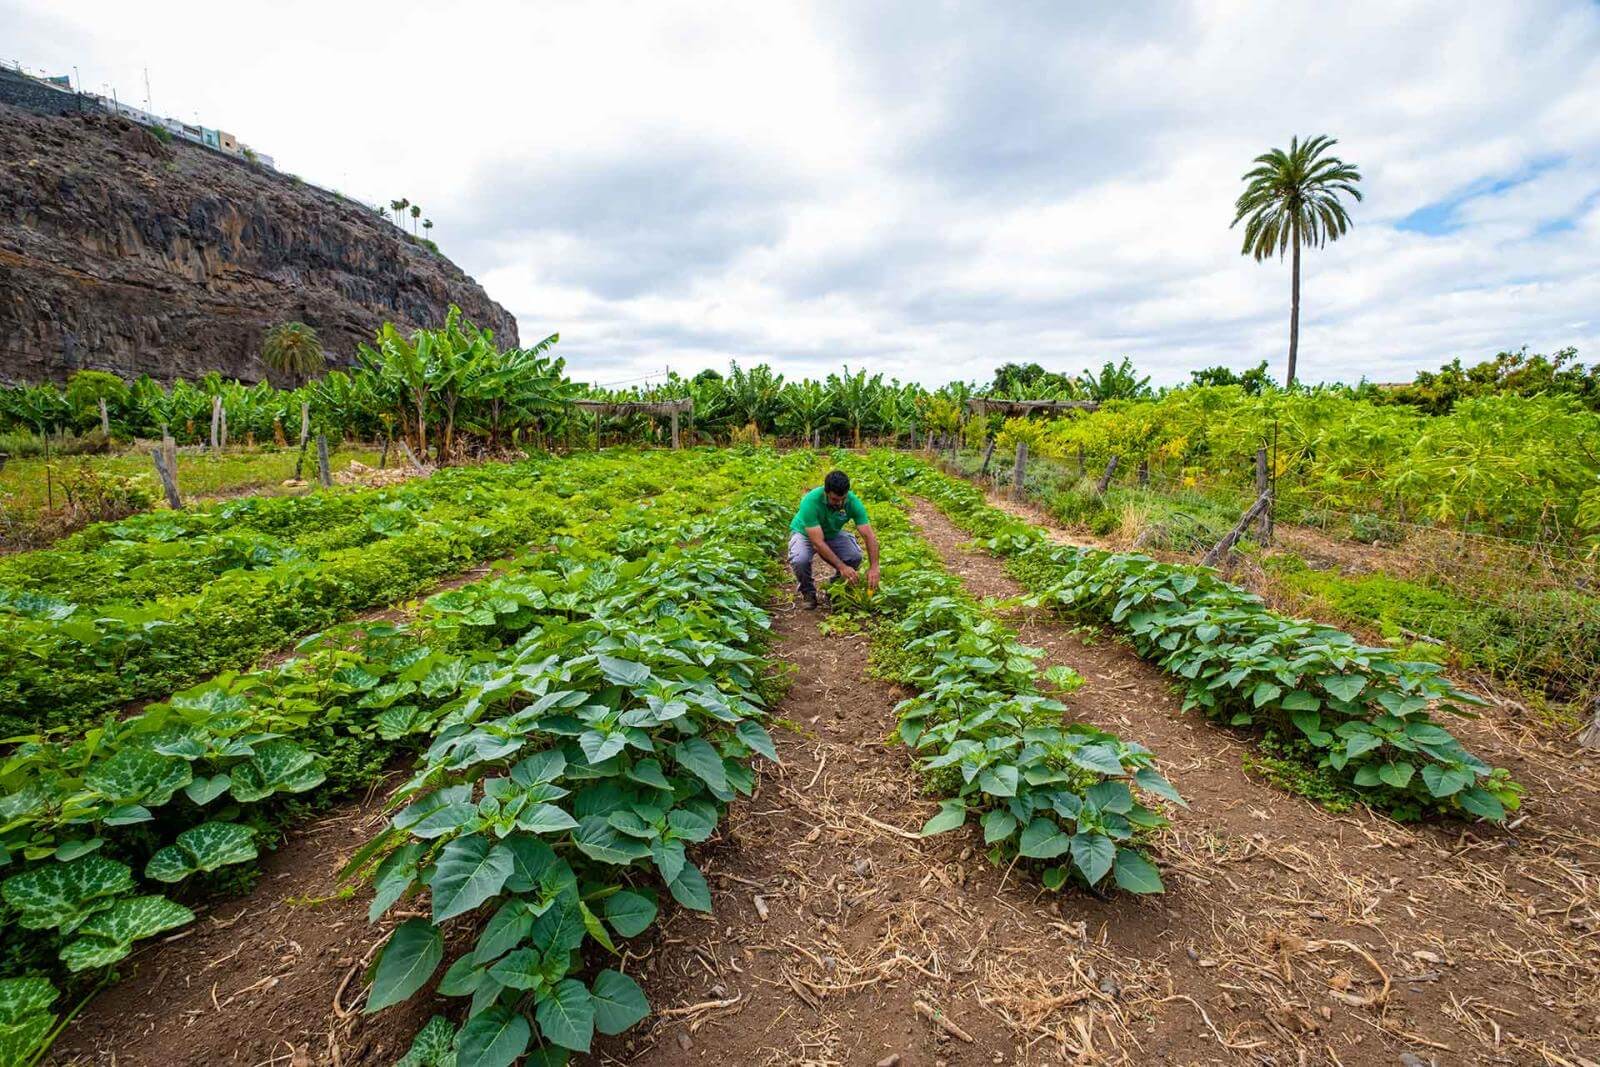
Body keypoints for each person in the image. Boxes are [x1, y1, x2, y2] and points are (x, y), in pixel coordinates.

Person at [788, 469, 880, 609]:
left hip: (831, 533)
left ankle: (834, 589)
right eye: (835, 499)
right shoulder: (810, 501)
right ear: (826, 492)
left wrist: (874, 567)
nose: (840, 503)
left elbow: (869, 536)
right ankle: (808, 592)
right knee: (800, 559)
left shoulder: (852, 502)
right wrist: (842, 567)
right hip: (805, 534)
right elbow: (818, 543)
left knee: (854, 556)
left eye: (843, 499)